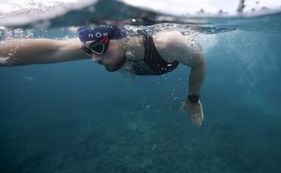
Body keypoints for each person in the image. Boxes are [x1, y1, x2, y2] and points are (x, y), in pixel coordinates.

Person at [0, 24, 206, 126]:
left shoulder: (169, 44)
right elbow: (52, 50)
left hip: (183, 50)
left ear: (122, 37)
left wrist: (193, 99)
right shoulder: (99, 46)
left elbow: (198, 64)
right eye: (88, 51)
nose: (94, 59)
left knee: (197, 51)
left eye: (97, 49)